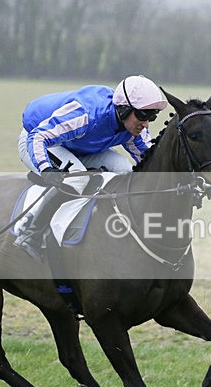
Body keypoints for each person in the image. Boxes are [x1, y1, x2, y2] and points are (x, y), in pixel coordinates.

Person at [14, 75, 168, 260]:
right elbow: (38, 138)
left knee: (124, 169)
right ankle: (30, 231)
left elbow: (150, 161)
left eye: (152, 116)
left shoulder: (134, 128)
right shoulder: (86, 114)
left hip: (78, 145)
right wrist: (46, 168)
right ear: (124, 109)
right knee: (78, 178)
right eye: (143, 115)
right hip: (38, 139)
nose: (146, 123)